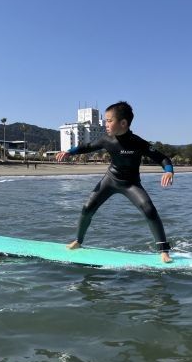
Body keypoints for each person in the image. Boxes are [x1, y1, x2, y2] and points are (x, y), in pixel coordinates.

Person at [56, 101, 174, 263]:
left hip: (131, 184)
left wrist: (168, 170)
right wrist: (69, 152)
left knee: (149, 209)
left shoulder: (138, 143)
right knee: (87, 207)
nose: (106, 124)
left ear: (123, 123)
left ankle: (163, 251)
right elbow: (87, 146)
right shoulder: (107, 140)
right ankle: (78, 241)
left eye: (109, 120)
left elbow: (162, 158)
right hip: (110, 180)